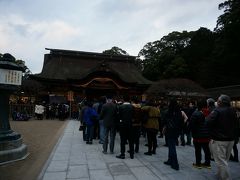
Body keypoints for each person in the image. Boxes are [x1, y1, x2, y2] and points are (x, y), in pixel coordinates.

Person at [206, 94, 238, 180]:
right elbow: (236, 125)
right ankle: (220, 174)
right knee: (225, 160)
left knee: (221, 161)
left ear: (220, 102)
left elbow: (208, 121)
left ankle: (225, 178)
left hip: (219, 140)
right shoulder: (233, 111)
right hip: (231, 139)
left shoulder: (217, 111)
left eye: (218, 100)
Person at [189, 99, 211, 169]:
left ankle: (198, 164)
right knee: (207, 150)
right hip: (207, 135)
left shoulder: (196, 113)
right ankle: (207, 163)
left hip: (198, 135)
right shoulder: (210, 113)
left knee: (198, 150)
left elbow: (191, 124)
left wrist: (192, 132)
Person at [163, 98, 184, 170]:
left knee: (172, 147)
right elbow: (181, 122)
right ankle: (170, 160)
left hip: (170, 131)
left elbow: (164, 120)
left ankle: (175, 164)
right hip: (176, 131)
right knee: (171, 146)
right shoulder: (179, 112)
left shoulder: (169, 112)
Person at [116, 95, 134, 159]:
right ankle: (132, 154)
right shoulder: (132, 107)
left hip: (123, 125)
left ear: (123, 99)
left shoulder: (121, 107)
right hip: (130, 125)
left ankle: (122, 154)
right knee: (131, 140)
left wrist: (120, 121)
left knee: (123, 140)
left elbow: (119, 116)